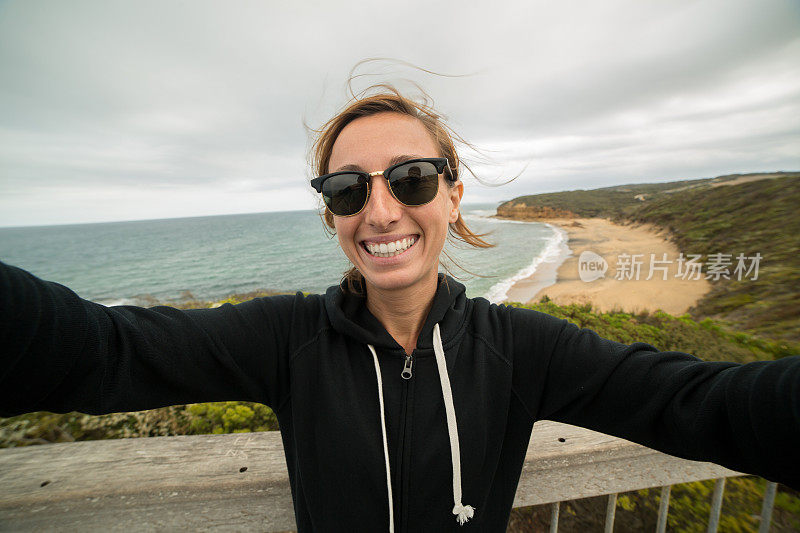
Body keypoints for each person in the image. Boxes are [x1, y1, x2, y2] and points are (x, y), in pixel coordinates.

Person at [1, 86, 799, 533]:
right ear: (332, 216)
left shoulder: (519, 347)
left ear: (452, 196)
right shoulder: (285, 338)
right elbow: (104, 349)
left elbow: (699, 403)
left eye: (411, 178)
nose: (380, 210)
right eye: (348, 189)